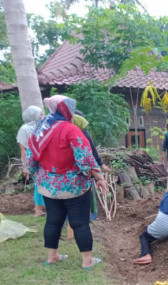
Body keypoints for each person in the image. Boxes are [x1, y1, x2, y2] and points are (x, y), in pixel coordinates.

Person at [26, 96, 108, 269]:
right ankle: (87, 261)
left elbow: (31, 157)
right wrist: (98, 176)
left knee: (53, 221)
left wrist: (37, 175)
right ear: (67, 109)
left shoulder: (40, 129)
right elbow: (84, 158)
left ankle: (52, 256)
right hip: (74, 186)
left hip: (48, 185)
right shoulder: (70, 130)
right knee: (79, 222)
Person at [72, 111, 109, 221]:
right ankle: (84, 217)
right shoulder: (71, 135)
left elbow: (91, 151)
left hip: (84, 172)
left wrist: (99, 165)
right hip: (81, 173)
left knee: (87, 193)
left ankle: (89, 216)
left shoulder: (83, 134)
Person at [17, 105, 45, 216]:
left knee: (45, 184)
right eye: (40, 114)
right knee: (39, 185)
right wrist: (26, 166)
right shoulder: (24, 129)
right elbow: (23, 150)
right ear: (33, 116)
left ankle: (44, 208)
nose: (43, 116)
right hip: (33, 161)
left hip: (44, 160)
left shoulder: (42, 127)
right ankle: (38, 210)